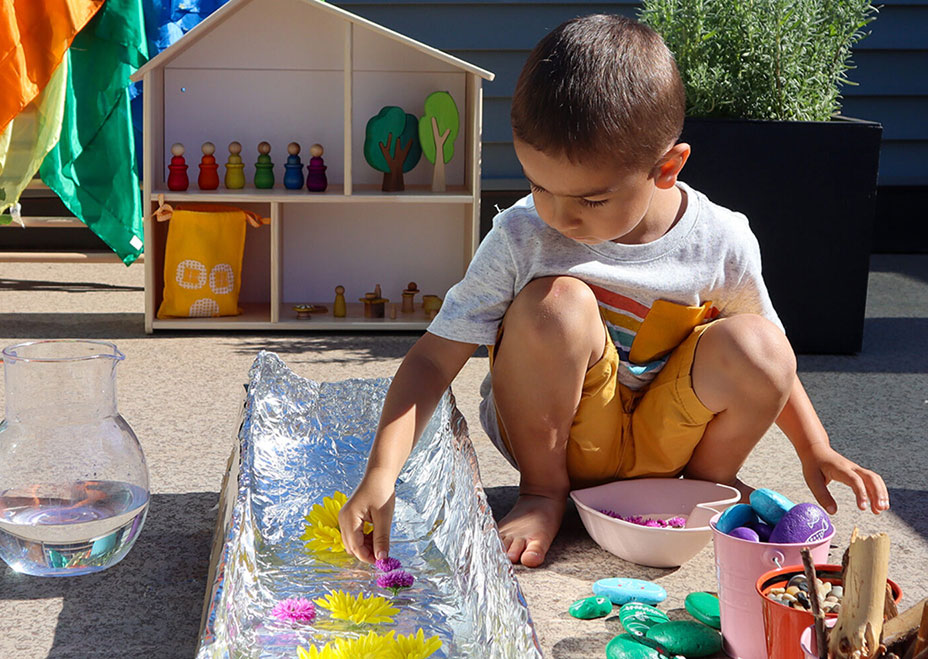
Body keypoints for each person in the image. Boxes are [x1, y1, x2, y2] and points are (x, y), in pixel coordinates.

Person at [339, 14, 889, 568]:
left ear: (667, 168)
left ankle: (695, 492)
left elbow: (774, 364)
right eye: (538, 186)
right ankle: (544, 493)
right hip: (559, 438)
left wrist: (813, 447)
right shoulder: (522, 234)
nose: (557, 216)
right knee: (555, 305)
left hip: (664, 440)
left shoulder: (720, 238)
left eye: (591, 200)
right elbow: (434, 359)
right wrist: (383, 471)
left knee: (761, 343)